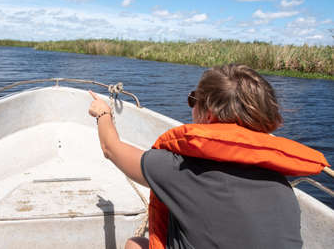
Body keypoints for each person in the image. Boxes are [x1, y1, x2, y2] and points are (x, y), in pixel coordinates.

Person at [88, 64, 328, 249]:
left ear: (209, 112)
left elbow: (111, 148)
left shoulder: (178, 169)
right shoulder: (281, 183)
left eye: (194, 100)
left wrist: (103, 112)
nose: (191, 107)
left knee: (135, 244)